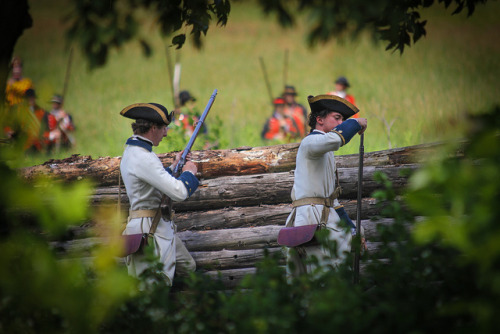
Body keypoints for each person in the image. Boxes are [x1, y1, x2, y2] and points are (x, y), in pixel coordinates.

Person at [285, 94, 367, 277]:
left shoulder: (326, 151)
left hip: (321, 216)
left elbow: (333, 200)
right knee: (319, 279)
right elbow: (336, 139)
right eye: (336, 118)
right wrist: (356, 123)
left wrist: (352, 230)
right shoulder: (310, 142)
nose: (340, 123)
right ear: (319, 120)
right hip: (310, 219)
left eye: (342, 120)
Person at [120, 102, 199, 286]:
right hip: (149, 232)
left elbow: (153, 180)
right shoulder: (143, 157)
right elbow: (179, 192)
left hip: (156, 227)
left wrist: (174, 166)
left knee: (188, 266)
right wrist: (189, 173)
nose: (165, 133)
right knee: (154, 287)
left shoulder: (137, 152)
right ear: (153, 128)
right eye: (163, 128)